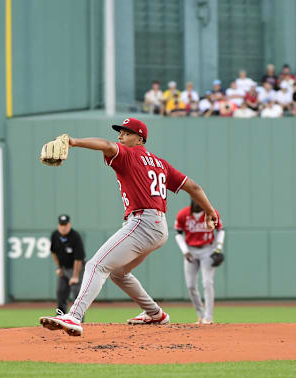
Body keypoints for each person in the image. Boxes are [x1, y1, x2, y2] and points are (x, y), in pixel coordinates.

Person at [38, 118, 219, 336]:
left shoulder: (128, 155)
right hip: (158, 227)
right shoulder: (161, 164)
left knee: (96, 265)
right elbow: (194, 187)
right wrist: (210, 212)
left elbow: (106, 145)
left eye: (126, 132)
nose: (120, 136)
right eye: (120, 132)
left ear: (140, 138)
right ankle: (155, 314)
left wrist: (73, 141)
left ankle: (74, 316)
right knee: (118, 274)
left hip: (142, 222)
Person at [174, 200, 225, 324]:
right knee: (190, 286)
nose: (198, 203)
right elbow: (178, 234)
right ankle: (201, 315)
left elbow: (220, 230)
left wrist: (218, 249)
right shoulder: (183, 214)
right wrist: (184, 250)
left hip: (207, 249)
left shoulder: (211, 212)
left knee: (207, 282)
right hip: (190, 250)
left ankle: (208, 317)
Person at [50, 214, 85, 316]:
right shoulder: (55, 235)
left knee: (77, 293)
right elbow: (53, 252)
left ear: (69, 224)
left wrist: (75, 276)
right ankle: (60, 317)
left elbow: (78, 259)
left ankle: (78, 320)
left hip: (77, 268)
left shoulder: (75, 236)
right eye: (61, 225)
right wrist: (59, 268)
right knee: (61, 293)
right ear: (58, 225)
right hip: (64, 268)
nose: (63, 227)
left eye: (65, 225)